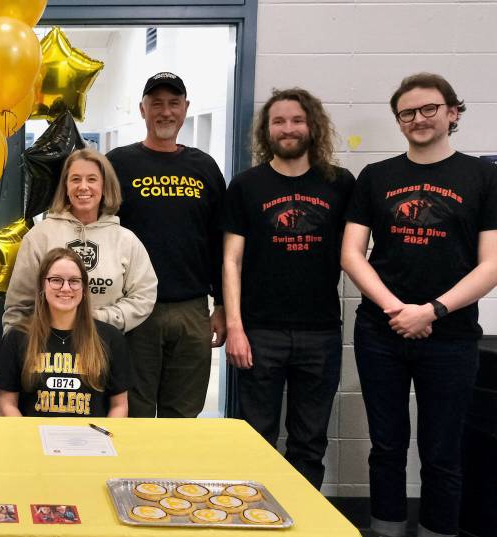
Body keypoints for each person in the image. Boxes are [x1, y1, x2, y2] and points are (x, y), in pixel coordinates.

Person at [341, 73, 497, 537]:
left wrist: (431, 310)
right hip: (380, 333)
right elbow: (351, 253)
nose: (418, 119)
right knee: (386, 447)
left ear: (453, 112)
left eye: (429, 109)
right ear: (399, 121)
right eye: (407, 113)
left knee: (442, 451)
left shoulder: (483, 177)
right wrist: (397, 309)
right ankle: (385, 529)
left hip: (450, 336)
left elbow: (491, 264)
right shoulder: (377, 176)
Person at [222, 89, 355, 490]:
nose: (288, 128)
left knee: (309, 442)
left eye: (297, 120)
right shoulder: (247, 185)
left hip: (321, 332)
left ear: (312, 125)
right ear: (267, 130)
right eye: (278, 121)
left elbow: (355, 252)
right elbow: (231, 260)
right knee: (254, 437)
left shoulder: (340, 183)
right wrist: (235, 327)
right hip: (260, 332)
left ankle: (303, 523)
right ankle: (253, 518)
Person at [107, 72, 228, 418]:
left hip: (192, 309)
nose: (165, 111)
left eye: (173, 103)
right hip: (134, 309)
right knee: (134, 412)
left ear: (185, 108)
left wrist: (221, 304)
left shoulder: (204, 167)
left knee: (184, 416)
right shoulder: (119, 164)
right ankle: (135, 475)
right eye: (156, 103)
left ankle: (174, 475)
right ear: (142, 110)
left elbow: (220, 242)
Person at [3, 148, 156, 335]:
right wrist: (13, 350)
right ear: (65, 187)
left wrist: (99, 320)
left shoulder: (126, 240)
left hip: (105, 345)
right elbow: (19, 306)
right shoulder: (40, 236)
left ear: (105, 186)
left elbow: (144, 296)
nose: (83, 187)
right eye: (75, 179)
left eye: (92, 179)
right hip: (49, 351)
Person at [0, 248, 131, 417]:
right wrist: (28, 439)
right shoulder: (17, 337)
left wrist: (102, 441)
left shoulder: (111, 338)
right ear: (42, 286)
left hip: (92, 441)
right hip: (34, 439)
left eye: (74, 281)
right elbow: (6, 404)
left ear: (84, 288)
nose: (66, 288)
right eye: (56, 280)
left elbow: (119, 406)